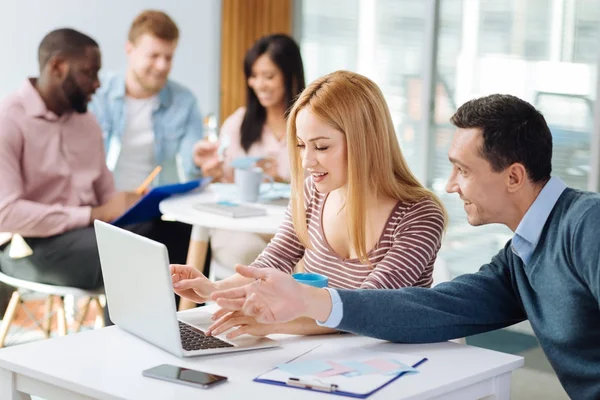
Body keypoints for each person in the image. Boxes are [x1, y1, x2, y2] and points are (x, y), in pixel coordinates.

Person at [209, 93, 600, 399]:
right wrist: (310, 302)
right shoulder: (520, 259)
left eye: (462, 170)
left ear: (514, 176)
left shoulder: (587, 225)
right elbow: (430, 309)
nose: (450, 185)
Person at [171, 70, 447, 338]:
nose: (306, 161)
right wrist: (214, 290)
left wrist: (273, 324)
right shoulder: (312, 193)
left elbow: (365, 308)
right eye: (302, 145)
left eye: (322, 147)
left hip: (393, 363)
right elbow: (273, 262)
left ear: (365, 142)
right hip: (325, 356)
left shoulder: (419, 215)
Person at [0, 28, 190, 325]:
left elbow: (106, 197)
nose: (97, 83)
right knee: (130, 254)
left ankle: (181, 337)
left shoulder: (87, 123)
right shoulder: (9, 118)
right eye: (89, 73)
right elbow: (5, 213)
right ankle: (123, 353)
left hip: (90, 234)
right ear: (58, 67)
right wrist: (95, 213)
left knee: (181, 237)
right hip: (32, 246)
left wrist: (129, 204)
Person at [193, 33, 306, 268]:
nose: (259, 84)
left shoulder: (310, 126)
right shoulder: (237, 125)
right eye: (254, 76)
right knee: (252, 254)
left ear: (290, 76)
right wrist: (208, 171)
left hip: (292, 229)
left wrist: (281, 180)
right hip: (240, 227)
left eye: (269, 76)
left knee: (309, 258)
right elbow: (219, 183)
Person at [89, 10, 204, 191]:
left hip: (156, 208)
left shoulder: (185, 101)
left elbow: (191, 162)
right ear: (129, 49)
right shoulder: (96, 94)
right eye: (154, 56)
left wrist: (200, 161)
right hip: (103, 206)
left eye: (169, 57)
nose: (162, 66)